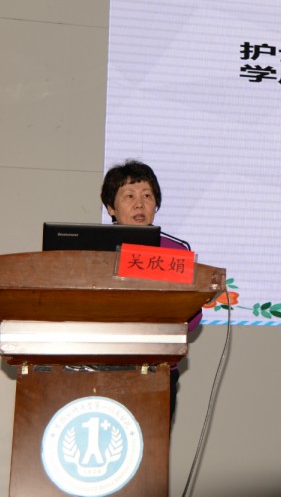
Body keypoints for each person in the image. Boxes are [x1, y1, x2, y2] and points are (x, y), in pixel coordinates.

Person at [100, 159, 201, 418]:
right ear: (111, 207)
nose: (140, 204)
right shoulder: (94, 250)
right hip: (100, 366)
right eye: (129, 196)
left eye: (147, 195)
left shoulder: (174, 251)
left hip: (158, 370)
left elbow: (192, 318)